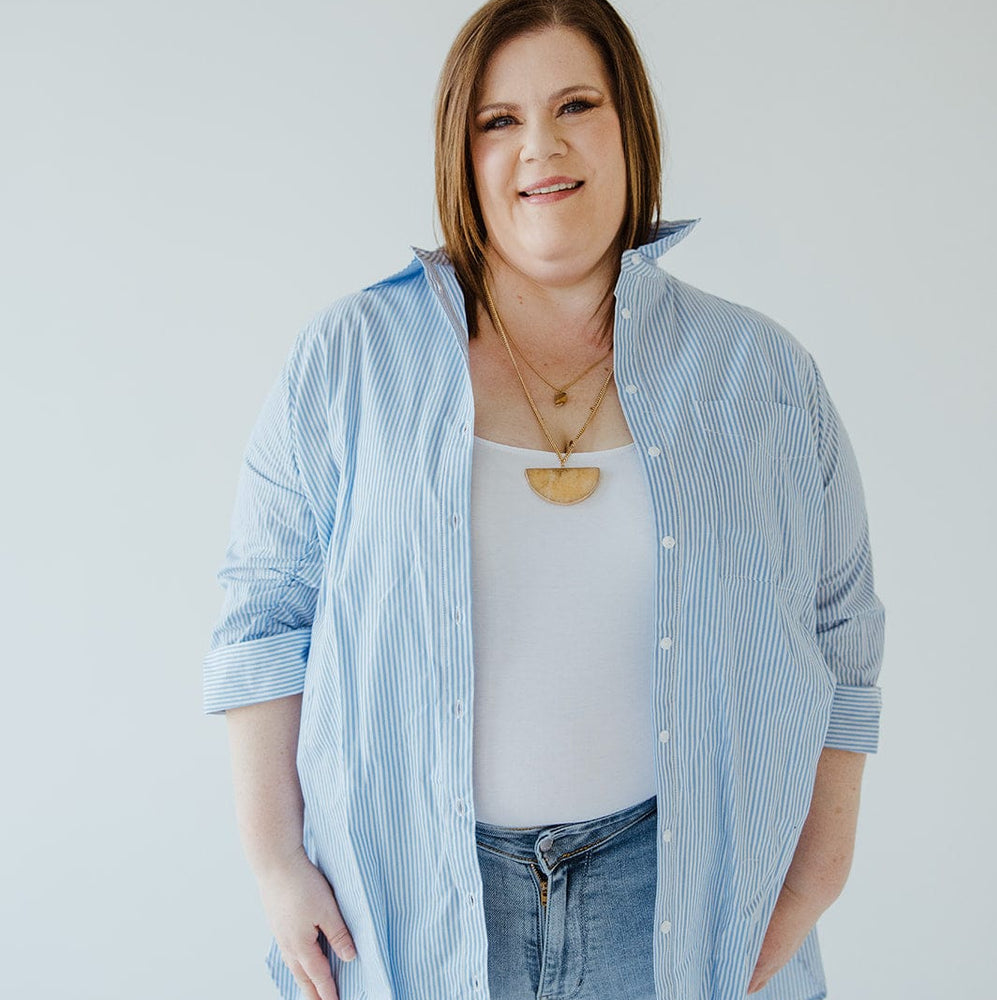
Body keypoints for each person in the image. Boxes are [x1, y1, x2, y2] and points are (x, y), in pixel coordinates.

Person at [202, 1, 886, 998]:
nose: (541, 146)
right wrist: (274, 863)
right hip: (406, 906)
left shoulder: (759, 374)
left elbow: (842, 637)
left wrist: (817, 875)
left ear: (628, 128)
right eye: (499, 120)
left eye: (576, 105)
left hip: (676, 902)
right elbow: (263, 618)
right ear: (460, 148)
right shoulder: (348, 360)